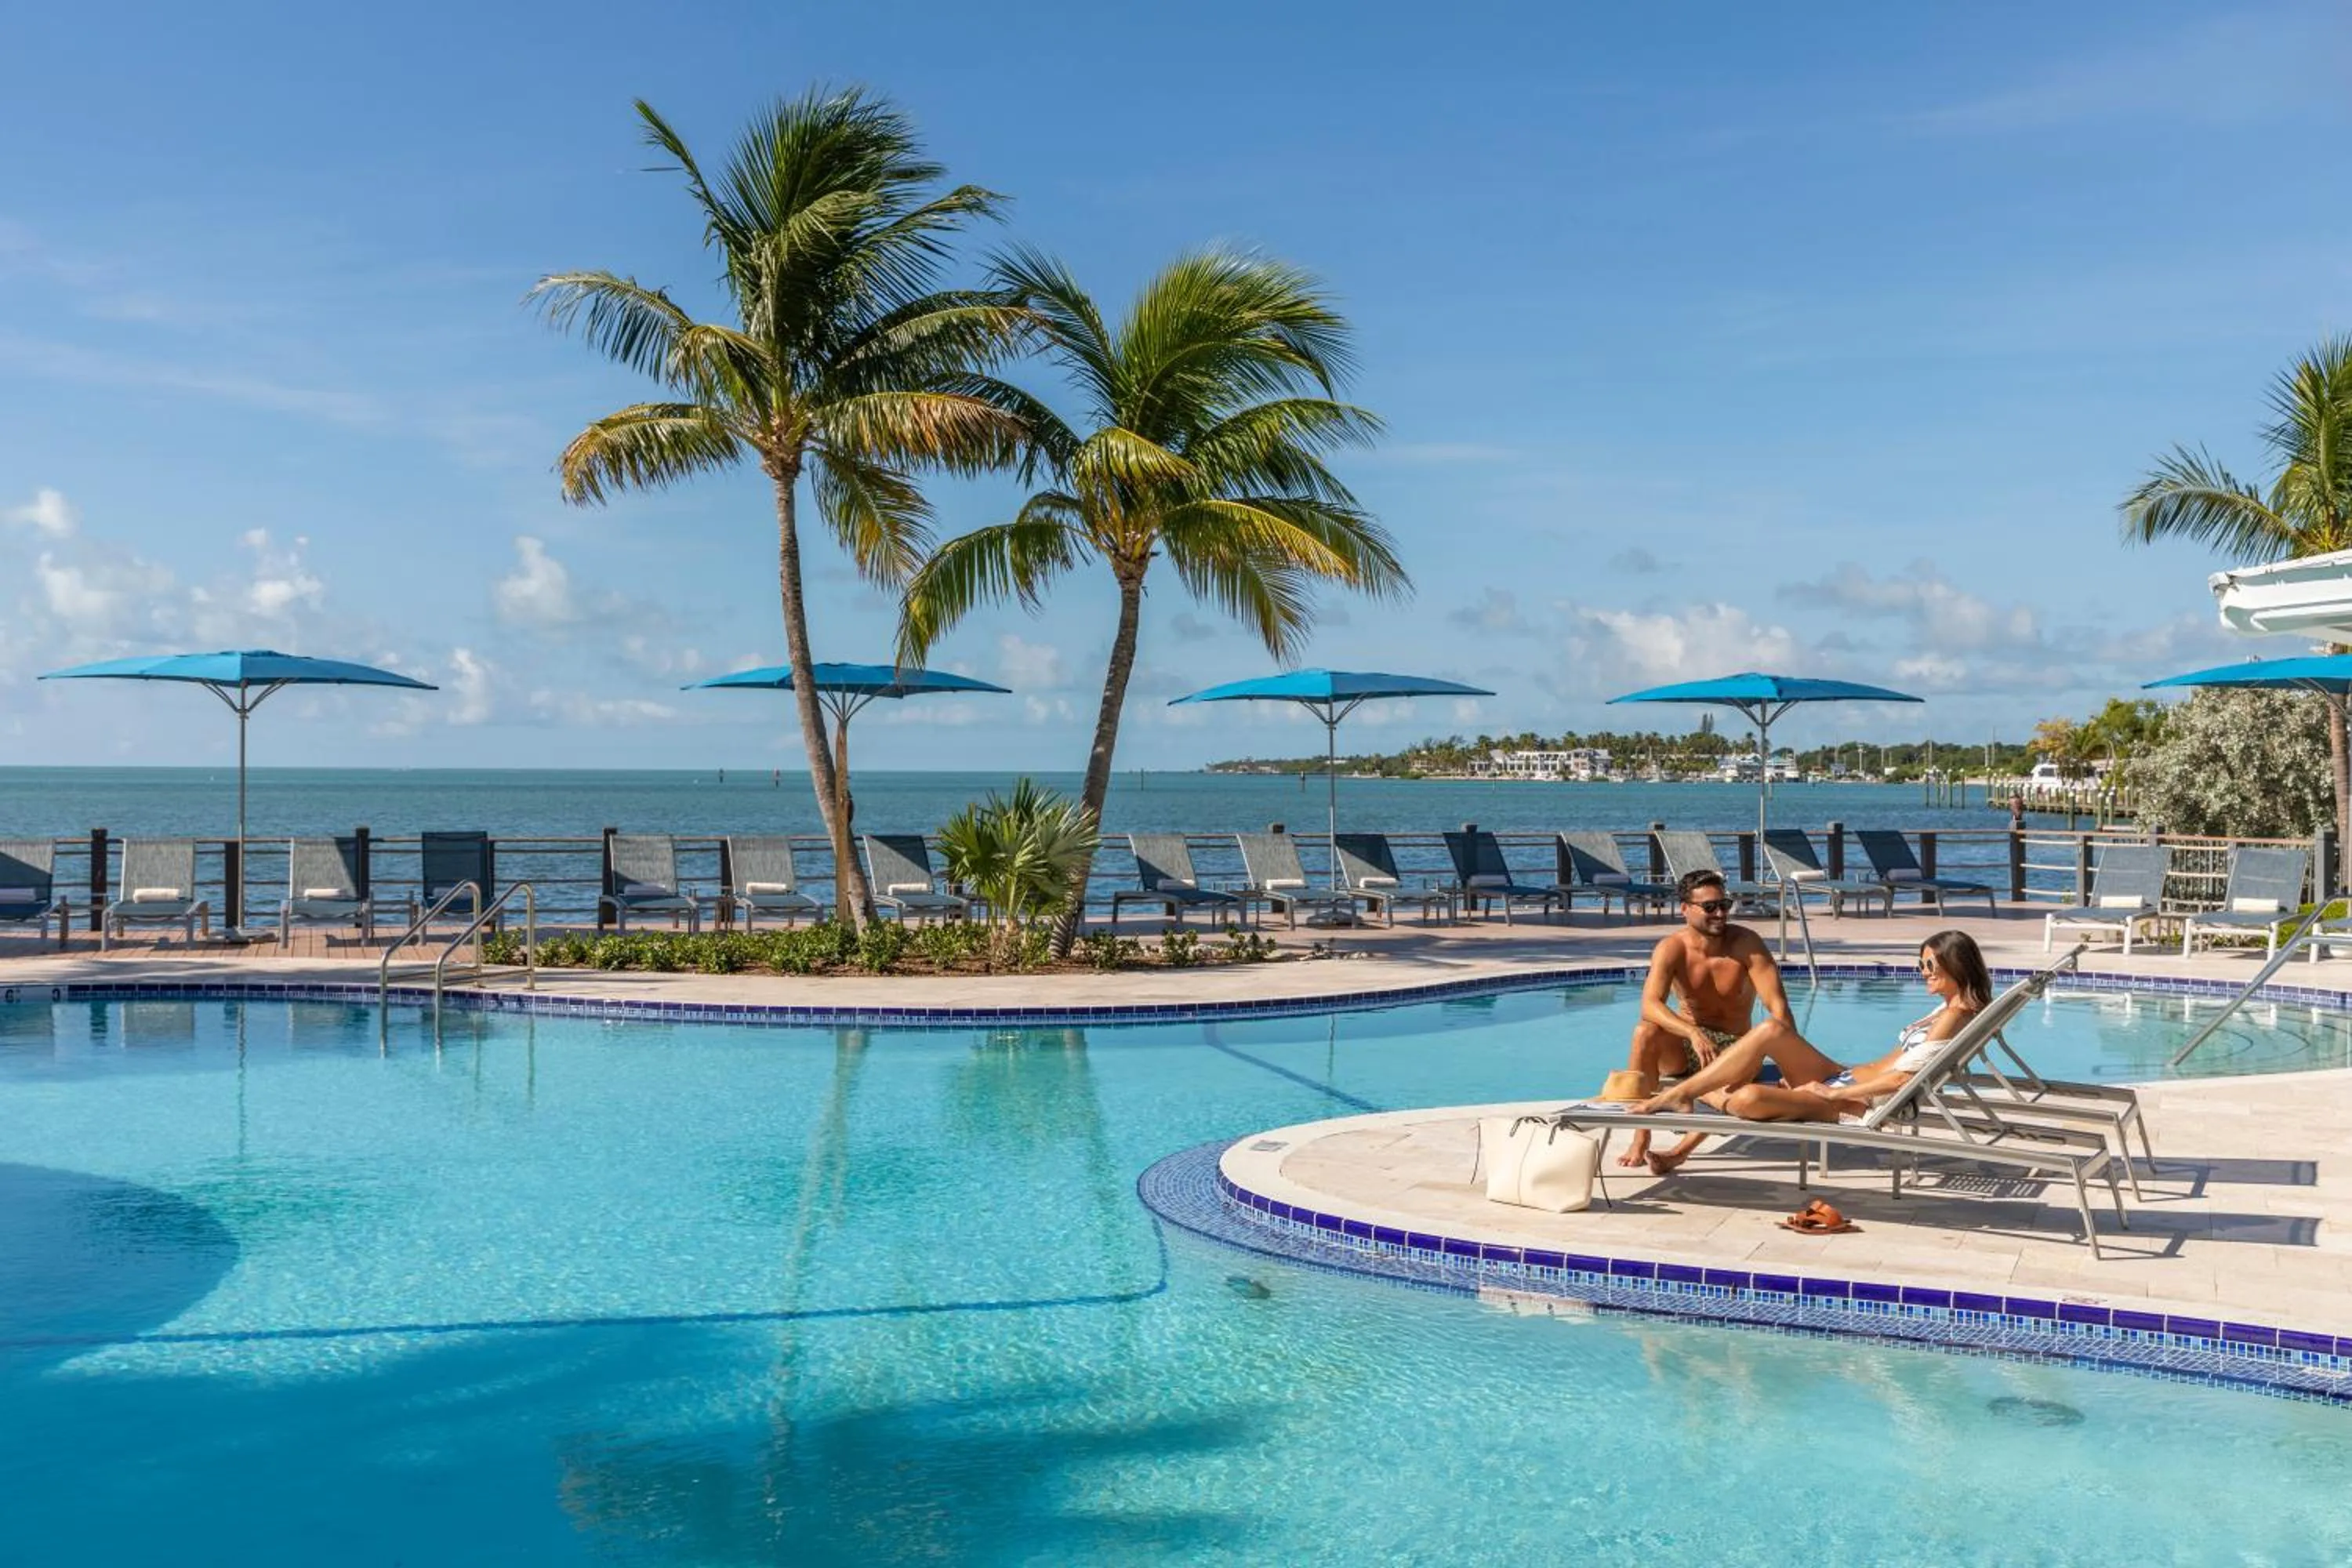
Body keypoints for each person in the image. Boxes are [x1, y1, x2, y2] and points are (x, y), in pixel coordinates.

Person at [1635, 929, 1993, 1131]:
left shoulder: (1954, 1015)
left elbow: (1902, 1082)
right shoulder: (1948, 1008)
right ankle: (1686, 1093)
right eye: (1921, 964)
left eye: (1930, 964)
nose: (1923, 971)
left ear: (1954, 964)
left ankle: (1689, 1093)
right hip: (1844, 1078)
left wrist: (1831, 1095)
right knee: (1771, 1029)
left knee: (1747, 1099)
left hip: (1856, 1101)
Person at [1616, 869, 1805, 1174]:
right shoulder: (1672, 948)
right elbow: (1649, 1005)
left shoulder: (1747, 944)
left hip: (1735, 1046)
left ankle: (1679, 1152)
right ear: (1685, 909)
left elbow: (1778, 1008)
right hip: (1688, 1042)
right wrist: (1691, 1032)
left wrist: (1791, 1064)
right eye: (1710, 907)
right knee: (1644, 1032)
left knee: (1737, 1066)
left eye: (1724, 905)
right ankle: (1641, 1136)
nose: (1720, 914)